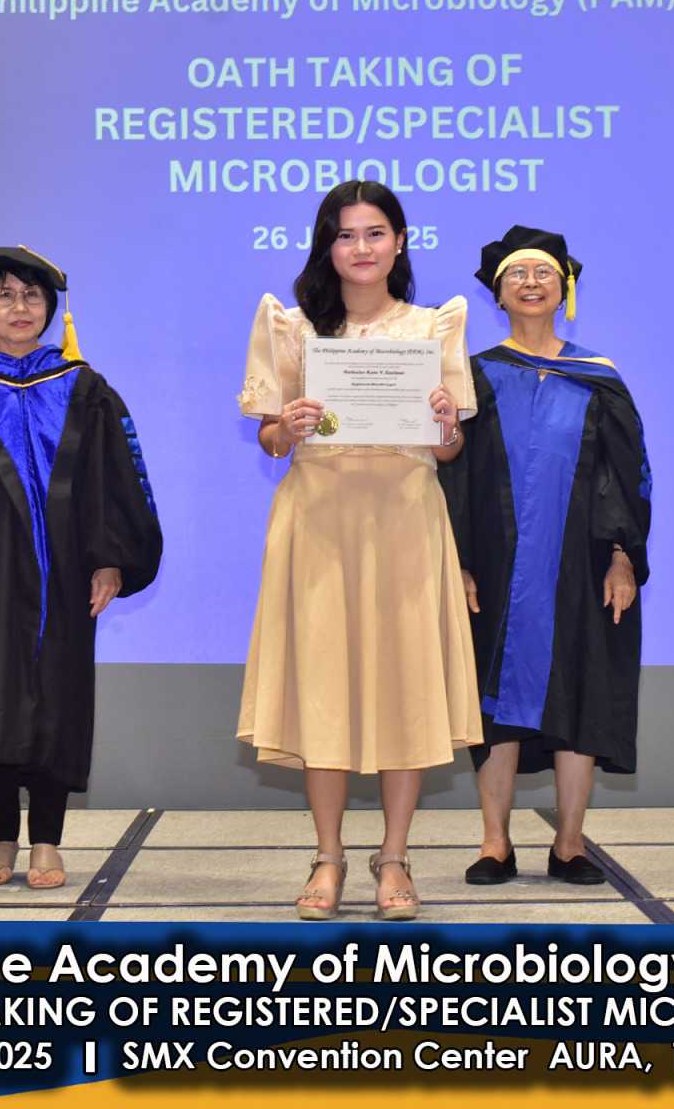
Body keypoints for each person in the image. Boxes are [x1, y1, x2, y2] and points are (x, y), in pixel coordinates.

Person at [237, 181, 480, 920]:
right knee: (325, 685)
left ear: (400, 242)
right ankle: (329, 856)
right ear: (327, 246)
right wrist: (288, 426)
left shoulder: (434, 326)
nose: (362, 247)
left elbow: (449, 448)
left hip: (405, 518)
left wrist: (445, 421)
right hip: (319, 519)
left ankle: (395, 856)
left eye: (376, 233)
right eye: (345, 235)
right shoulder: (292, 328)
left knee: (406, 683)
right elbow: (269, 437)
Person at [0, 246, 162, 890]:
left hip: (66, 573)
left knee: (55, 698)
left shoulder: (84, 388)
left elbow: (113, 478)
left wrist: (110, 558)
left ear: (50, 309)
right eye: (4, 294)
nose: (19, 306)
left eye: (32, 295)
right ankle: (0, 838)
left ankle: (46, 840)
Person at [439, 225, 652, 887]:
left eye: (543, 274)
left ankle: (569, 843)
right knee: (492, 704)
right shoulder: (473, 378)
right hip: (493, 567)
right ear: (497, 293)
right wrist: (458, 561)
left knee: (581, 692)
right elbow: (451, 477)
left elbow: (626, 475)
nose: (530, 283)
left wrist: (622, 557)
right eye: (516, 275)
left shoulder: (599, 378)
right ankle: (495, 843)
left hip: (580, 568)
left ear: (565, 290)